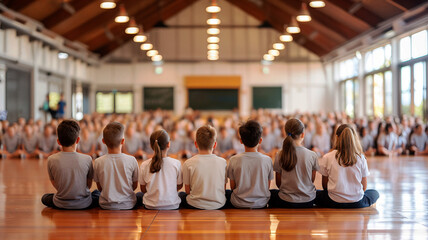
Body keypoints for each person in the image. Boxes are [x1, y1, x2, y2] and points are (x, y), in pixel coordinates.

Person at [316, 124, 379, 208]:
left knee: (314, 194)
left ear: (337, 138)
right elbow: (364, 187)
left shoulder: (327, 157)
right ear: (353, 138)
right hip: (357, 202)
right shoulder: (361, 158)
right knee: (374, 193)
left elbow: (325, 186)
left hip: (333, 201)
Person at [41, 120, 98, 209]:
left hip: (61, 202)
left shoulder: (51, 159)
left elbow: (55, 183)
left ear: (58, 142)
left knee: (44, 198)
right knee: (97, 194)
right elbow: (89, 185)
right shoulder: (87, 159)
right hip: (84, 203)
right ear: (78, 140)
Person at [269, 118, 319, 208]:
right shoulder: (312, 155)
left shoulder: (279, 154)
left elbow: (278, 183)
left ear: (285, 133)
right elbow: (311, 180)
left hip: (285, 200)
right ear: (303, 134)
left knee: (271, 193)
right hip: (308, 201)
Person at [93, 122, 140, 210]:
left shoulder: (98, 162)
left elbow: (100, 187)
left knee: (95, 193)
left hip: (105, 205)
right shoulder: (132, 160)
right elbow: (134, 186)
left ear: (103, 141)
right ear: (123, 141)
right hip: (128, 204)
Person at [226, 120, 273, 208]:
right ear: (260, 140)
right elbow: (267, 186)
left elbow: (233, 187)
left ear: (241, 141)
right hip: (261, 203)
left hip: (238, 203)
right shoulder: (268, 160)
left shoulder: (233, 160)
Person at [180, 125, 227, 210]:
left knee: (181, 195)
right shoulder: (223, 162)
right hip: (218, 205)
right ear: (215, 144)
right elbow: (223, 188)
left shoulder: (188, 163)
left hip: (195, 204)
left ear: (195, 144)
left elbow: (187, 191)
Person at [139, 130, 183, 210]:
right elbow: (179, 185)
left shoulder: (144, 165)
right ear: (168, 144)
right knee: (182, 195)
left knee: (138, 195)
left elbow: (143, 189)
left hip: (150, 205)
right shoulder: (176, 163)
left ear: (151, 146)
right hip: (172, 205)